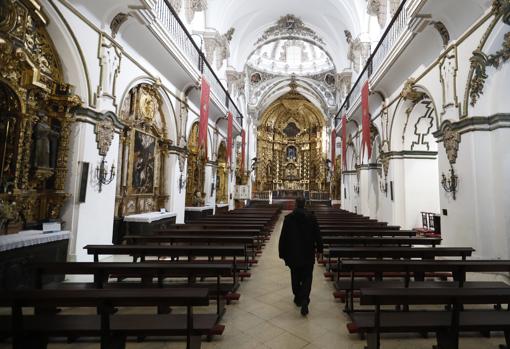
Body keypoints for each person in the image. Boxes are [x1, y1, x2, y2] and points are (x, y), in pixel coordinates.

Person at [278, 197, 323, 316]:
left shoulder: (288, 219)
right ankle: (304, 299)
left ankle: (298, 296)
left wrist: (282, 253)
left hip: (293, 253)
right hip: (308, 253)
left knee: (295, 275)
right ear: (305, 204)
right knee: (308, 277)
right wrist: (320, 249)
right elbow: (317, 235)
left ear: (295, 204)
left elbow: (283, 237)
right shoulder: (311, 217)